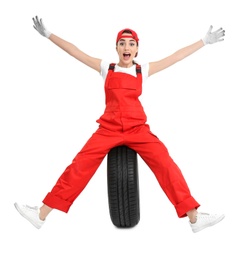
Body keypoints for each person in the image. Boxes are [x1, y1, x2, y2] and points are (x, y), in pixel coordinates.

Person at [14, 16, 225, 233]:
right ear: (116, 48)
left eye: (131, 44)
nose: (127, 47)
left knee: (166, 165)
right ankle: (40, 215)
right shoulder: (107, 68)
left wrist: (204, 41)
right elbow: (75, 52)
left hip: (137, 130)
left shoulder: (143, 70)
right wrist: (48, 34)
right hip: (109, 129)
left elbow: (175, 57)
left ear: (136, 50)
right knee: (78, 167)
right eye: (122, 43)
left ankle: (194, 218)